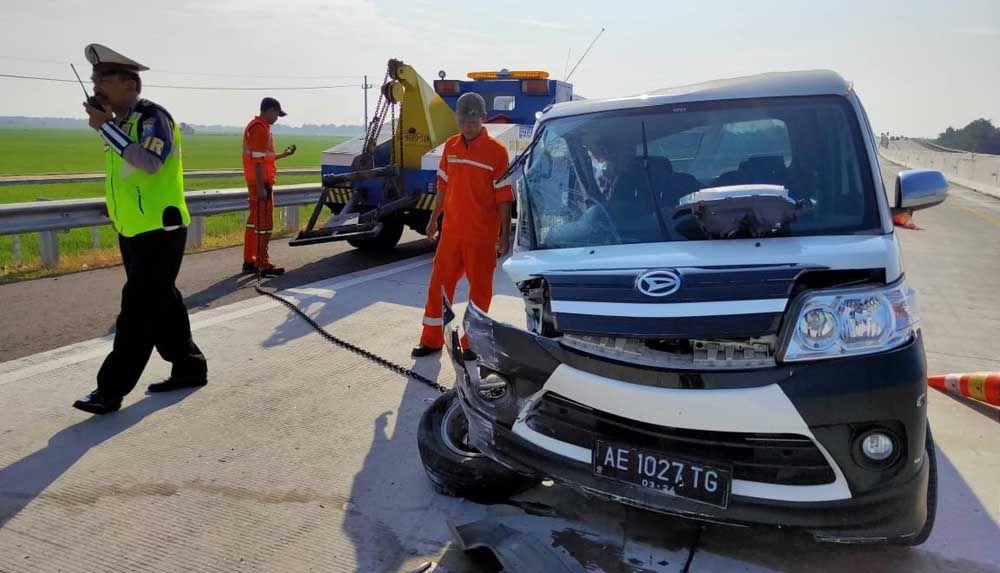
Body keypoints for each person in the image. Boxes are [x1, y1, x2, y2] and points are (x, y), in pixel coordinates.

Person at [74, 44, 208, 415]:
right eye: (94, 79)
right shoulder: (120, 125)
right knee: (162, 301)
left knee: (137, 310)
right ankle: (189, 366)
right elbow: (128, 176)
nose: (95, 86)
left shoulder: (153, 117)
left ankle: (110, 390)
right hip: (133, 227)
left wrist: (106, 130)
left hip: (159, 229)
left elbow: (149, 163)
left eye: (102, 79)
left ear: (128, 84)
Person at [412, 93, 514, 359]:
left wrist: (505, 233)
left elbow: (504, 196)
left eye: (472, 121)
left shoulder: (497, 153)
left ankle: (473, 343)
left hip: (481, 236)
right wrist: (434, 219)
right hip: (452, 233)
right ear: (457, 120)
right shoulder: (451, 146)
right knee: (438, 286)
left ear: (483, 119)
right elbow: (443, 186)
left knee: (479, 291)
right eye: (462, 121)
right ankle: (431, 339)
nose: (467, 126)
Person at [242, 97, 297, 276]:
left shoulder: (256, 126)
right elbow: (258, 162)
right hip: (261, 182)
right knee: (264, 225)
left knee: (253, 223)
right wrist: (261, 187)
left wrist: (283, 154)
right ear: (270, 110)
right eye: (276, 115)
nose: (276, 119)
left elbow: (263, 157)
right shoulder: (260, 129)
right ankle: (262, 264)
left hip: (256, 180)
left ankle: (250, 260)